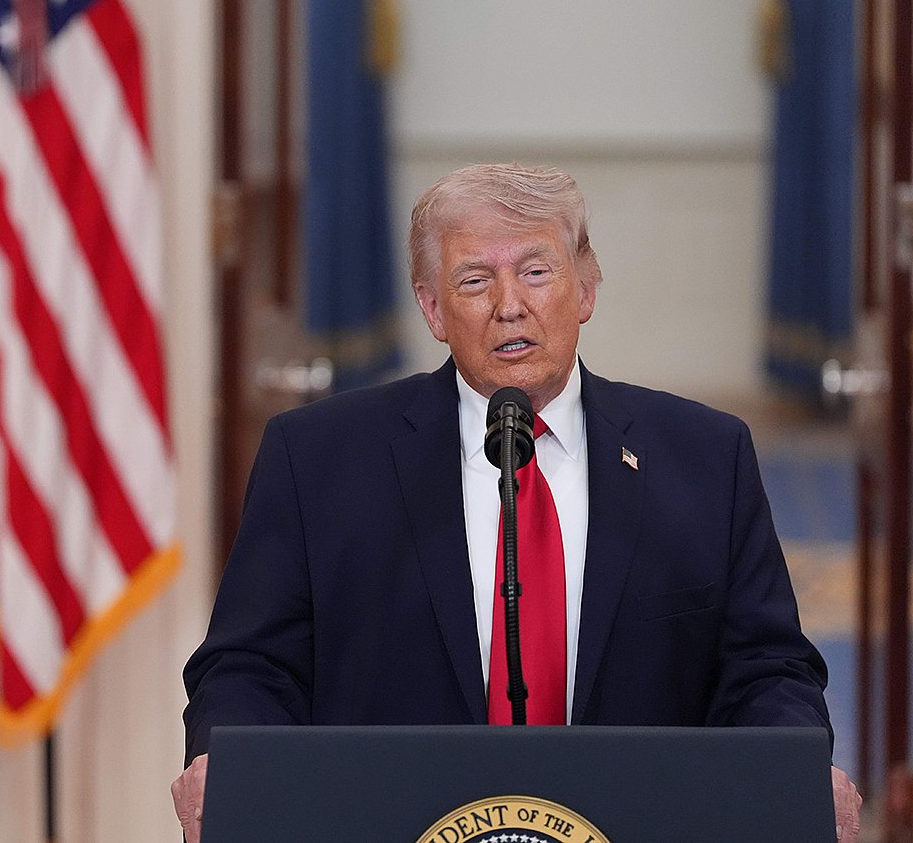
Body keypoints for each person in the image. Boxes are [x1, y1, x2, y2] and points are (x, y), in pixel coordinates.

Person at [171, 164, 862, 841]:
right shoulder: (318, 459)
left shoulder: (706, 457)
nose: (510, 304)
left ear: (586, 289)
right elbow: (251, 666)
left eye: (536, 271)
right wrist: (225, 762)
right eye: (475, 280)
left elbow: (766, 667)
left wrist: (793, 765)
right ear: (433, 309)